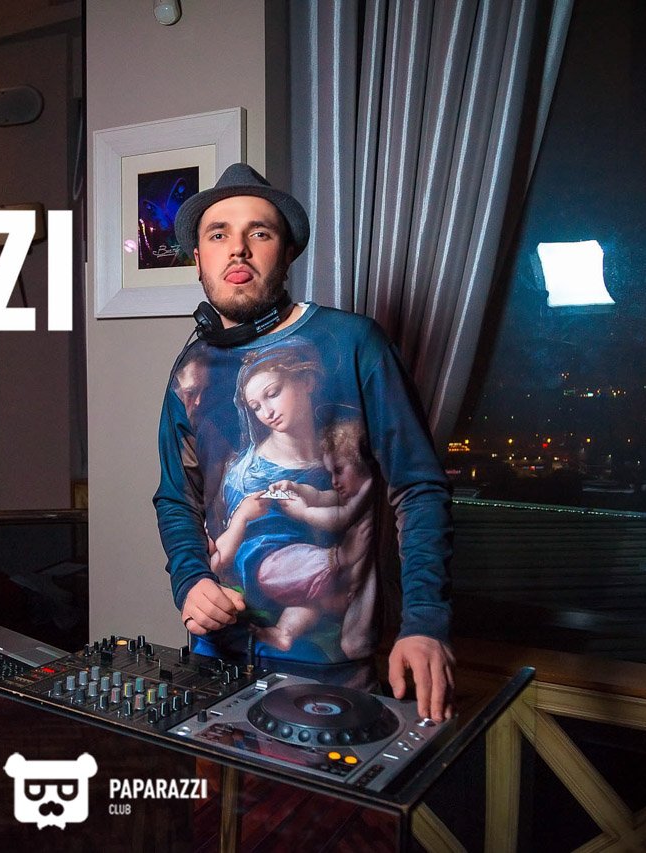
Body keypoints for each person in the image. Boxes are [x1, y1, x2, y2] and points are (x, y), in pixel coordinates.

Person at [154, 163, 455, 720]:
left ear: (287, 254)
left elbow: (418, 488)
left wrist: (424, 622)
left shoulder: (353, 342)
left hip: (333, 660)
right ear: (198, 259)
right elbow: (177, 498)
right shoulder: (190, 370)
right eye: (218, 235)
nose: (237, 248)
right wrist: (190, 580)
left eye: (259, 232)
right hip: (215, 652)